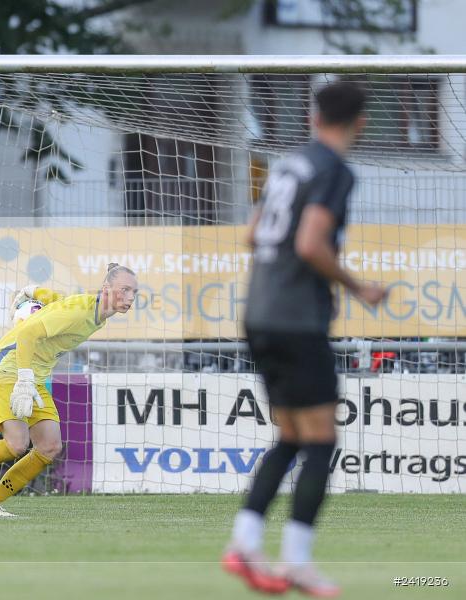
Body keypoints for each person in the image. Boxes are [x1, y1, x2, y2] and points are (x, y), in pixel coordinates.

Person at [223, 82, 386, 596]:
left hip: (260, 312)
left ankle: (245, 544)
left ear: (314, 118)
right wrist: (359, 287)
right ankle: (297, 562)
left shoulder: (289, 164)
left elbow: (253, 235)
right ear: (360, 123)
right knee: (319, 442)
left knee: (291, 437)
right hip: (296, 318)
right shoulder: (334, 170)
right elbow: (311, 242)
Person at [0, 263, 138, 517]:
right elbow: (27, 334)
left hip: (32, 377)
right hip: (7, 370)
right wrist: (24, 379)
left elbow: (58, 302)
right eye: (125, 290)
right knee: (17, 444)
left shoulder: (94, 313)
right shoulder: (81, 310)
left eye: (134, 293)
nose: (130, 298)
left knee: (49, 446)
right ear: (107, 288)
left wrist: (33, 290)